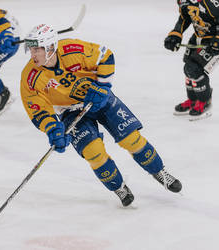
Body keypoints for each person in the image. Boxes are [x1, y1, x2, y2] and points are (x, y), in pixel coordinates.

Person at [20, 24, 182, 207]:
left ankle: (159, 171)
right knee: (93, 152)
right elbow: (37, 109)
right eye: (30, 49)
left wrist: (103, 86)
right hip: (68, 111)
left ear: (50, 47)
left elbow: (105, 55)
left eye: (36, 50)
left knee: (131, 139)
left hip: (97, 97)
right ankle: (118, 187)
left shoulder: (72, 49)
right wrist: (52, 129)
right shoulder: (30, 77)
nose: (32, 55)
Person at [164, 0, 217, 118]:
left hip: (213, 41)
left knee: (194, 68)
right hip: (199, 37)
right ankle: (193, 100)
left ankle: (205, 101)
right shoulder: (184, 1)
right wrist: (176, 34)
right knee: (188, 68)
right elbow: (184, 17)